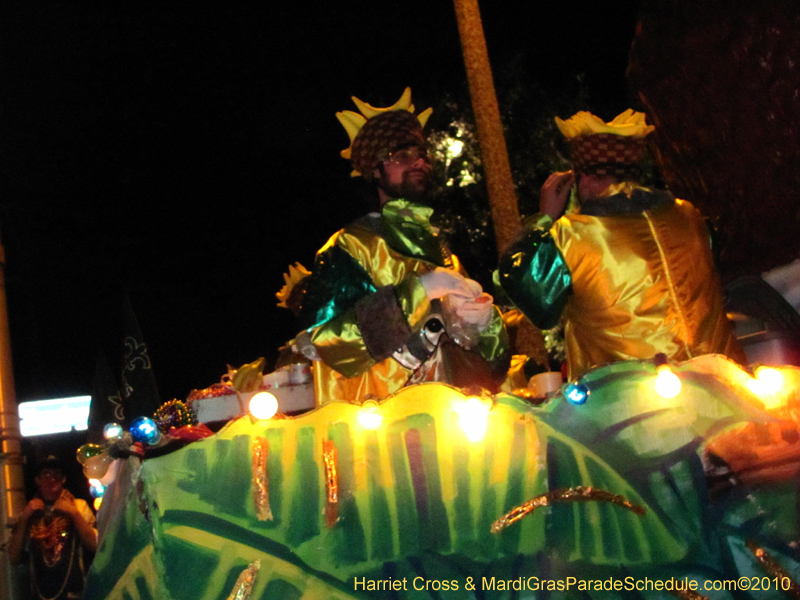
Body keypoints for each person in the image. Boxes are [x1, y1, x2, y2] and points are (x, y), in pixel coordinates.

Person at [279, 88, 509, 404]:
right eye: (402, 156)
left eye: (422, 154)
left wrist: (484, 324)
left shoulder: (443, 252)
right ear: (375, 169)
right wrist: (419, 292)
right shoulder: (351, 245)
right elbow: (325, 342)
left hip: (454, 425)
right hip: (384, 431)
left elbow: (490, 369)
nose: (418, 162)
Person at [498, 109, 746, 380]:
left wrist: (543, 218)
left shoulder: (570, 235)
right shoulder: (689, 216)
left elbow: (527, 295)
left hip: (631, 406)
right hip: (723, 386)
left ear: (582, 178)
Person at [8, 456, 98, 600]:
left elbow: (94, 545)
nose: (52, 479)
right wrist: (24, 518)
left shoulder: (78, 506)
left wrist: (74, 514)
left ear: (63, 479)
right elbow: (13, 557)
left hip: (74, 593)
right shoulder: (30, 513)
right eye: (46, 474)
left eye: (57, 474)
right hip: (39, 595)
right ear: (37, 480)